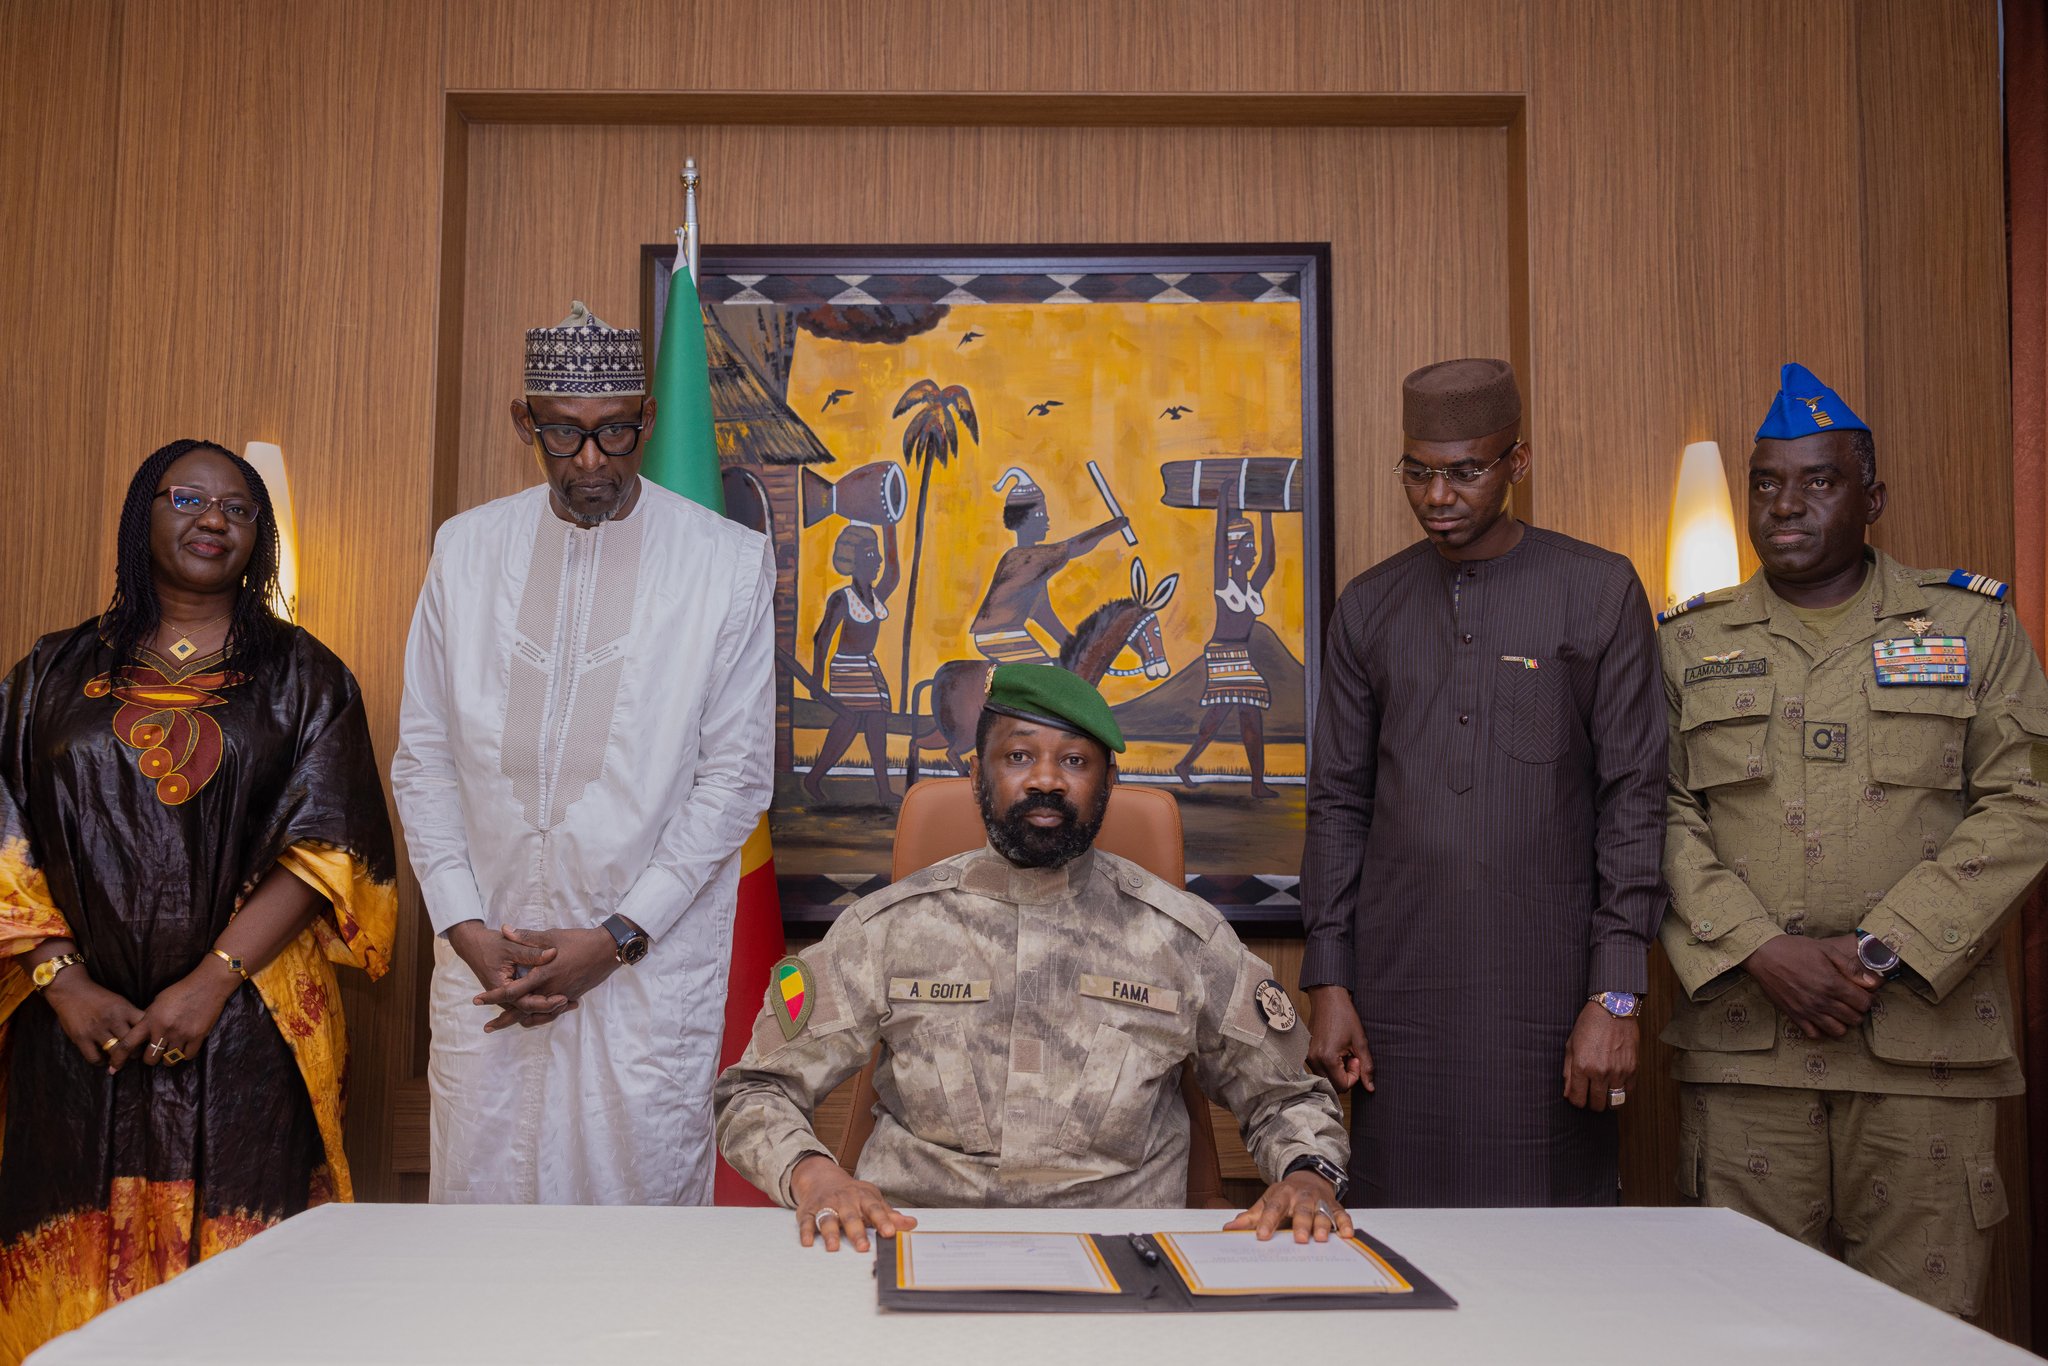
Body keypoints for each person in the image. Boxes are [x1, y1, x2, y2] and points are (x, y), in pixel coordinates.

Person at [715, 665, 1351, 1250]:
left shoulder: (1185, 939)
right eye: (1018, 756)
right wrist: (814, 1175)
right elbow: (755, 1091)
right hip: (913, 1243)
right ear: (976, 774)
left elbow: (1288, 1098)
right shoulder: (888, 929)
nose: (1045, 779)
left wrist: (1307, 1173)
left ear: (1109, 783)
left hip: (1122, 1257)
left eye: (1073, 760)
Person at [1658, 363, 2048, 1317]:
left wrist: (1882, 950)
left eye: (1819, 481)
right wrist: (1763, 951)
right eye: (1766, 483)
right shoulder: (1684, 644)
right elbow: (1652, 813)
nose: (1785, 505)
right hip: (1750, 1047)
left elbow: (2026, 802)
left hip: (1925, 1047)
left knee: (1918, 1334)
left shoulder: (1967, 627)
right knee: (1749, 1332)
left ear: (1871, 496)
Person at [0, 440, 397, 1361]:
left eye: (239, 508)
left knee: (247, 1283)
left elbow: (329, 847)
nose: (213, 519)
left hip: (247, 1030)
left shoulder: (309, 677)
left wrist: (210, 983)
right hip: (73, 1033)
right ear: (144, 513)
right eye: (188, 498)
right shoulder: (48, 673)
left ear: (258, 538)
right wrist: (61, 980)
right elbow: (3, 826)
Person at [392, 301, 776, 1206]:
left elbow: (733, 780)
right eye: (564, 436)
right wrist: (462, 925)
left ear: (647, 418)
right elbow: (425, 757)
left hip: (640, 976)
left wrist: (618, 937)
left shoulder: (725, 562)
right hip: (487, 964)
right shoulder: (466, 549)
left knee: (633, 1239)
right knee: (481, 1239)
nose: (593, 461)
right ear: (525, 422)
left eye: (617, 432)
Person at [1298, 357, 1666, 1207]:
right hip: (1399, 999)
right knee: (1401, 1242)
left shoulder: (1599, 590)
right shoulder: (1370, 606)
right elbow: (1338, 804)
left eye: (1466, 470)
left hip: (1549, 994)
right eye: (1418, 472)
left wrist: (1616, 996)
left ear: (1517, 462)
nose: (1438, 495)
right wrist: (1328, 981)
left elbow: (1635, 800)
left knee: (1550, 1260)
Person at [1174, 485, 1279, 797]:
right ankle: (1254, 782)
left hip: (1240, 654)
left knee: (1232, 713)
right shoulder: (1224, 583)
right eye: (1249, 545)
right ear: (1235, 550)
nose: (1254, 551)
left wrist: (1267, 512)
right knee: (1239, 711)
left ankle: (1192, 765)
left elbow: (1270, 561)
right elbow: (1218, 542)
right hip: (1222, 653)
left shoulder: (1252, 587)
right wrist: (1222, 503)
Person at [967, 467, 1130, 665]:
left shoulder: (1032, 572)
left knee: (1054, 669)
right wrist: (1113, 526)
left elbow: (1044, 616)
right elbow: (1075, 546)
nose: (1046, 520)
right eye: (1040, 514)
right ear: (1024, 520)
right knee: (1046, 676)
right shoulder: (1027, 558)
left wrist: (1075, 648)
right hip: (999, 636)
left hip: (1002, 634)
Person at [803, 521, 900, 806]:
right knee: (855, 720)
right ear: (854, 561)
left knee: (872, 722)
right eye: (871, 556)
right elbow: (822, 638)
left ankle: (881, 790)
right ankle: (816, 777)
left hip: (868, 666)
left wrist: (890, 526)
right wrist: (816, 680)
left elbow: (893, 572)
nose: (878, 562)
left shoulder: (875, 596)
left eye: (877, 555)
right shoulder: (842, 598)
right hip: (847, 668)